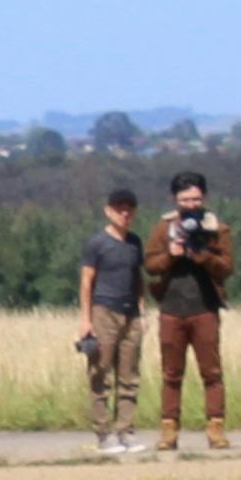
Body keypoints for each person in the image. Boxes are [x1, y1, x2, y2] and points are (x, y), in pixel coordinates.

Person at [148, 171, 234, 452]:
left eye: (196, 198)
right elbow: (150, 265)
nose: (191, 204)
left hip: (205, 308)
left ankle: (216, 428)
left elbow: (227, 268)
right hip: (172, 309)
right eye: (185, 199)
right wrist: (171, 255)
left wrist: (203, 254)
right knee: (171, 374)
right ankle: (169, 430)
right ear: (175, 199)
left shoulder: (217, 228)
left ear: (204, 198)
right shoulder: (164, 228)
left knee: (211, 372)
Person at [76, 188, 146, 454]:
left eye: (129, 209)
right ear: (108, 211)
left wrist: (141, 309)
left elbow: (138, 278)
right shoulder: (97, 243)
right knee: (100, 373)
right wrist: (86, 320)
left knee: (129, 376)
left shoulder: (135, 243)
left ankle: (125, 430)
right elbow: (86, 282)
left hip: (131, 314)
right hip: (104, 311)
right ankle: (104, 434)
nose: (125, 213)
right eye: (119, 208)